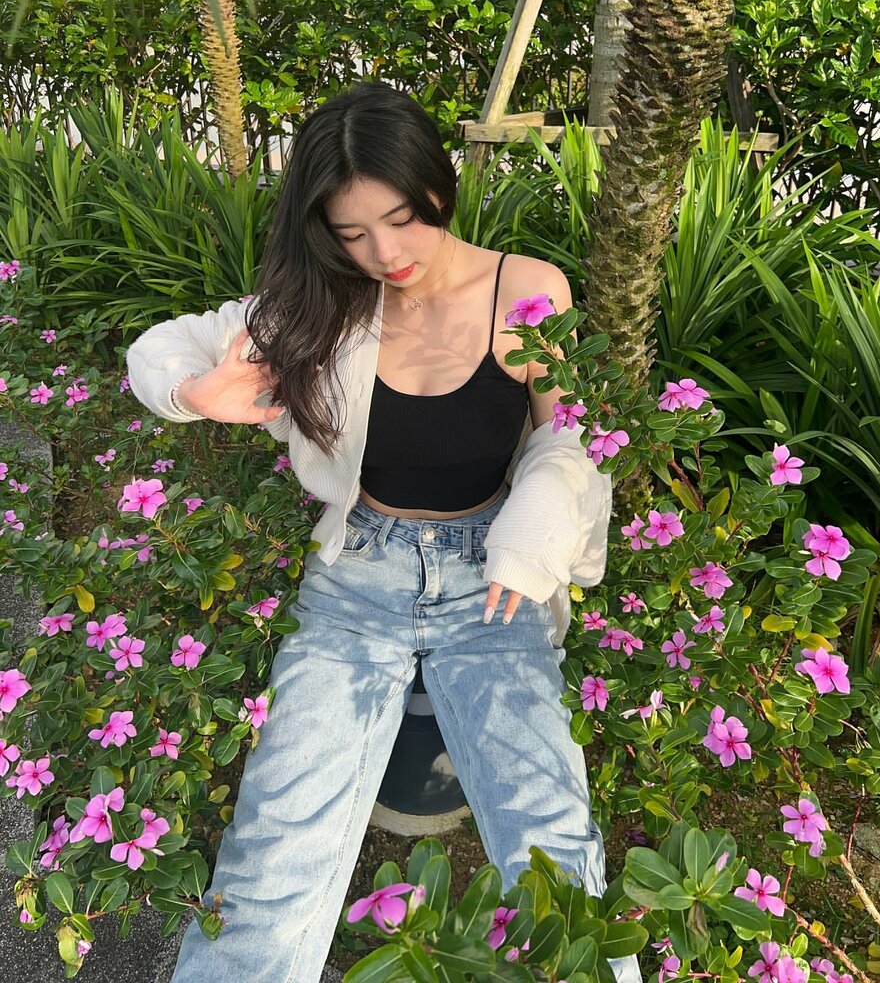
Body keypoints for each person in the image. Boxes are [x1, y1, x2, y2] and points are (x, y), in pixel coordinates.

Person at [125, 82, 638, 983]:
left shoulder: (525, 290)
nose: (385, 254)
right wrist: (192, 391)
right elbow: (164, 346)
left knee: (551, 842)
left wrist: (531, 538)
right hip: (357, 577)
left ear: (438, 186)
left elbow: (569, 435)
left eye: (401, 220)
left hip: (493, 581)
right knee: (275, 846)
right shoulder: (317, 301)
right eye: (353, 233)